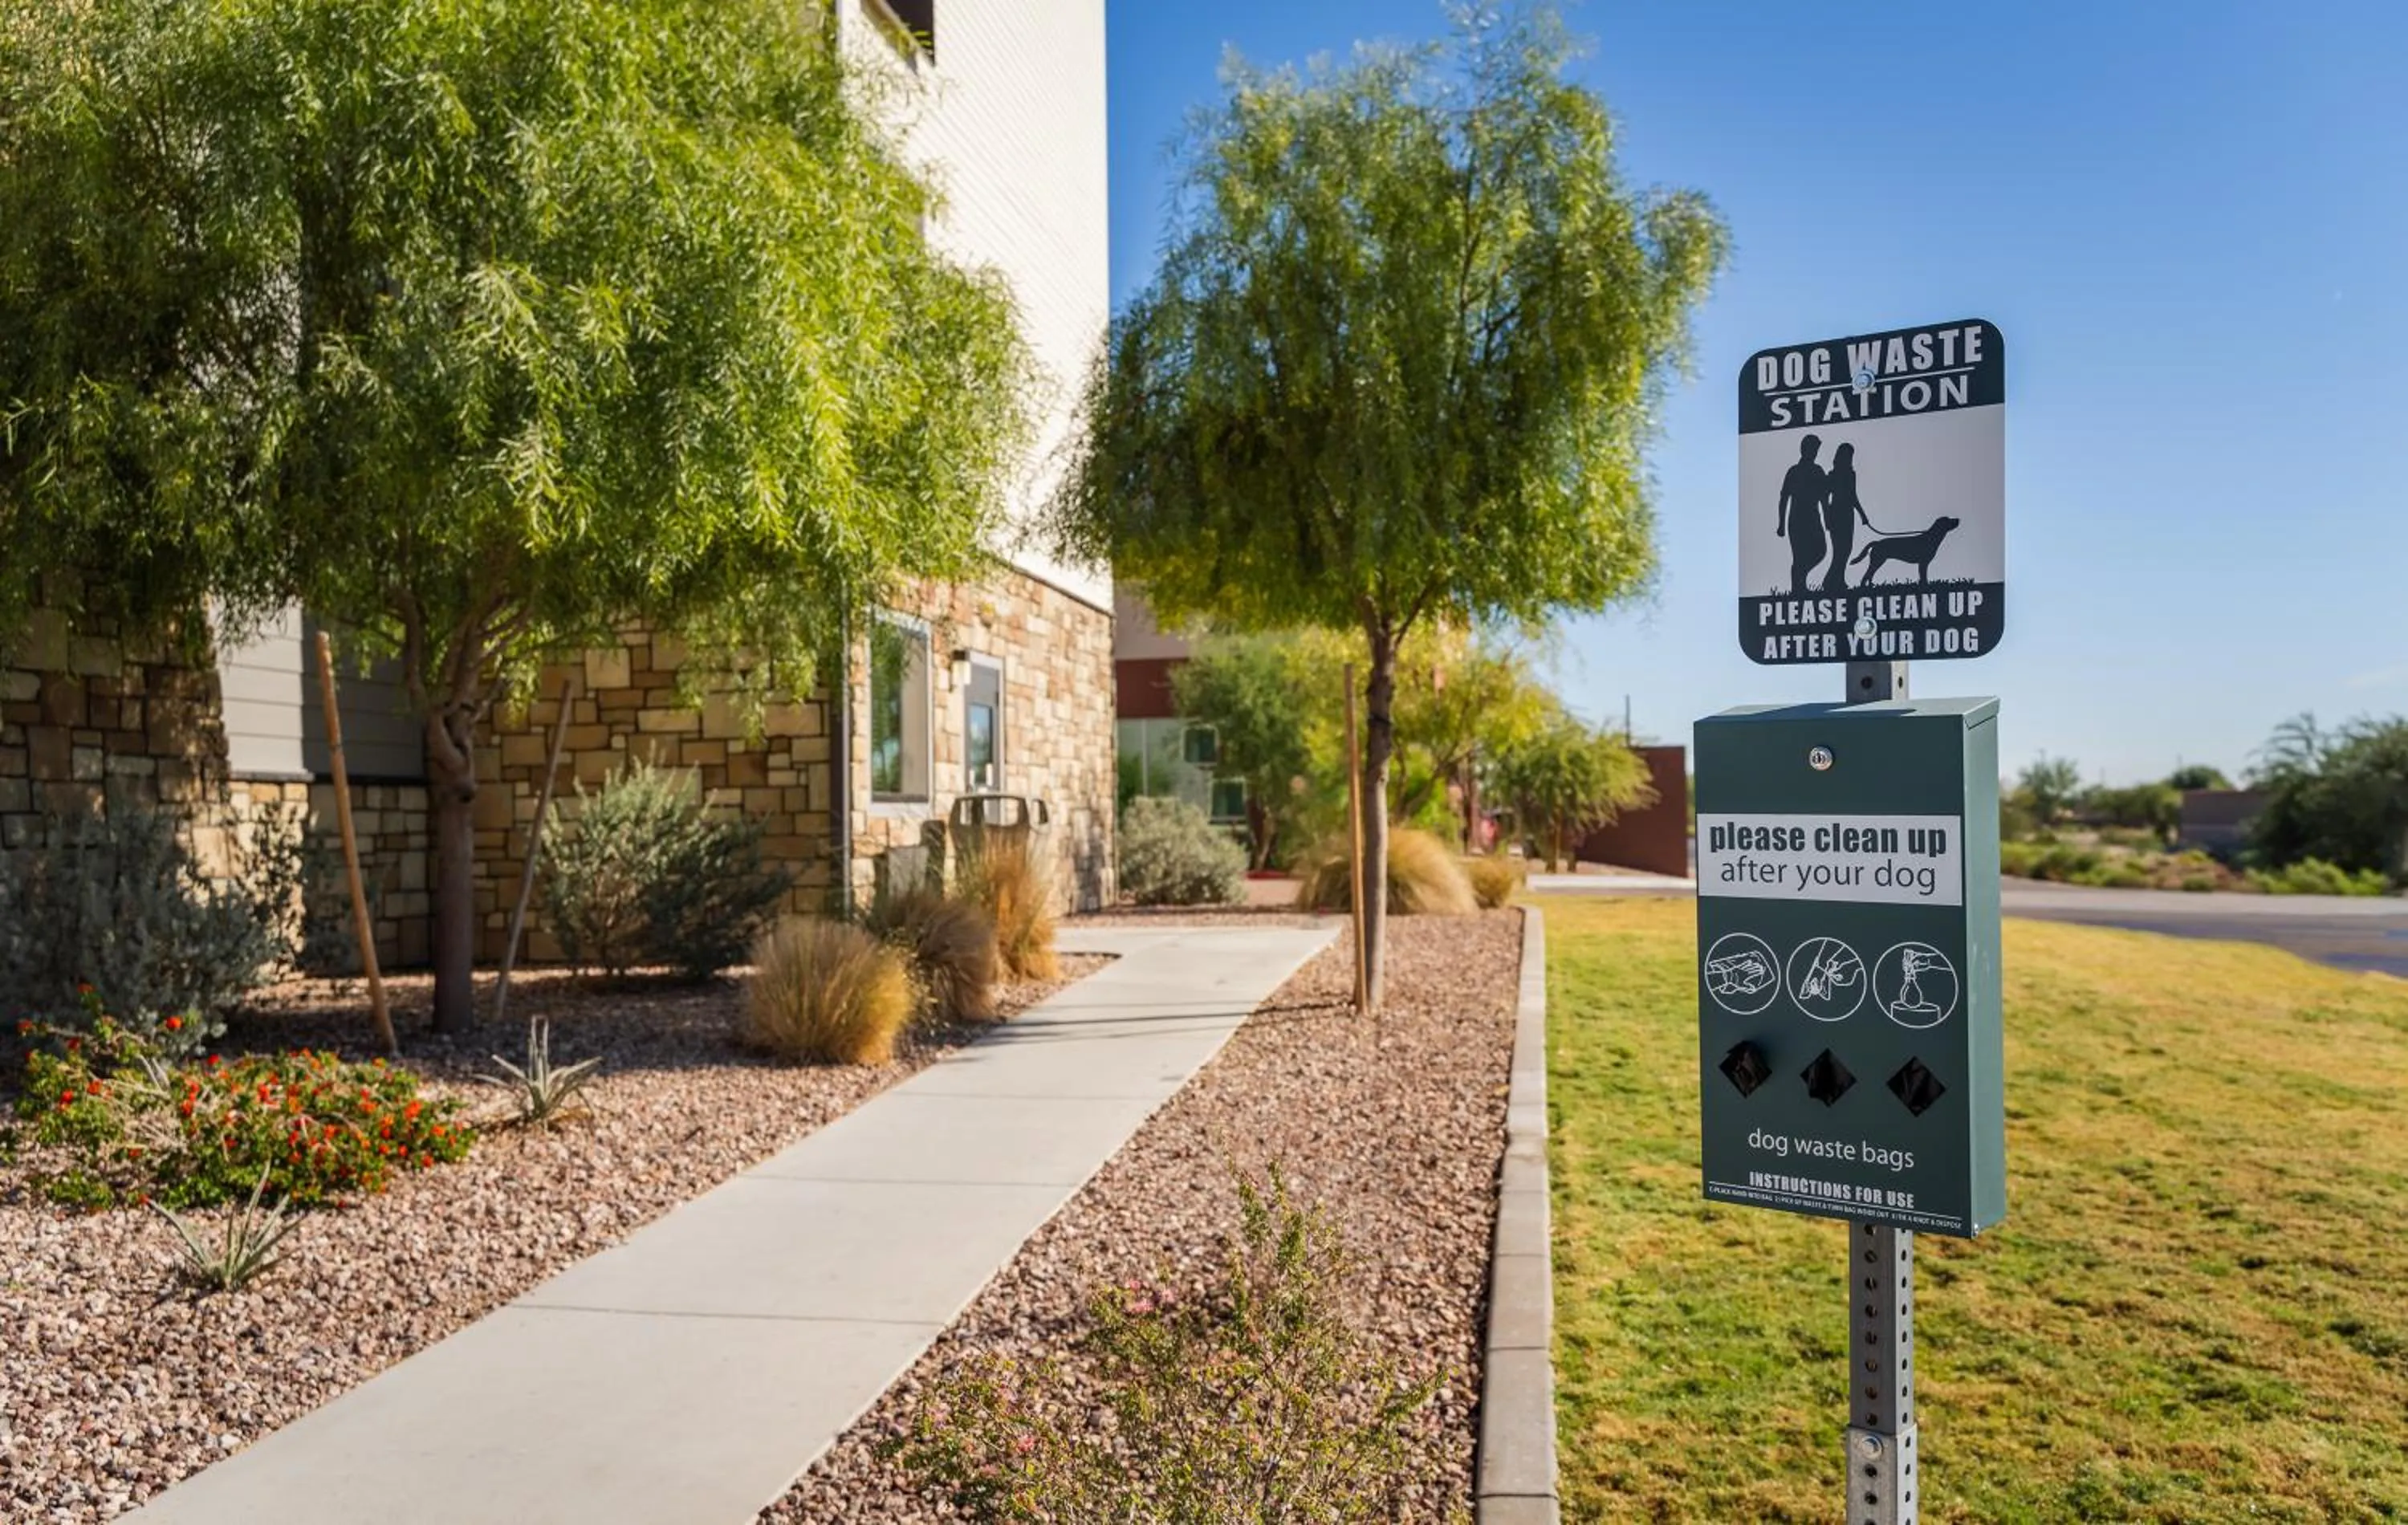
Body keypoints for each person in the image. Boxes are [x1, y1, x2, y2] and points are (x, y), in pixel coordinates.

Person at [1821, 441, 1877, 593]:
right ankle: (1830, 582)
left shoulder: (1850, 474)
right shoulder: (1832, 475)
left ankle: (1838, 580)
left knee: (1845, 550)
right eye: (1848, 455)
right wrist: (1827, 517)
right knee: (1840, 551)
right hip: (1837, 513)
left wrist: (1862, 515)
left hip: (1847, 514)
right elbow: (1825, 497)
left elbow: (1853, 496)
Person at [1776, 434, 1828, 595]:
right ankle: (1798, 589)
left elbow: (1824, 498)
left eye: (1816, 450)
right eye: (1813, 449)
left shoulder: (1818, 471)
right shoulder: (1794, 472)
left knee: (1820, 550)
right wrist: (1781, 525)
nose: (1815, 453)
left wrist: (1827, 520)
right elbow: (1784, 498)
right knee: (1799, 556)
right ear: (1804, 449)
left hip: (1813, 518)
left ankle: (1799, 581)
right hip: (1797, 520)